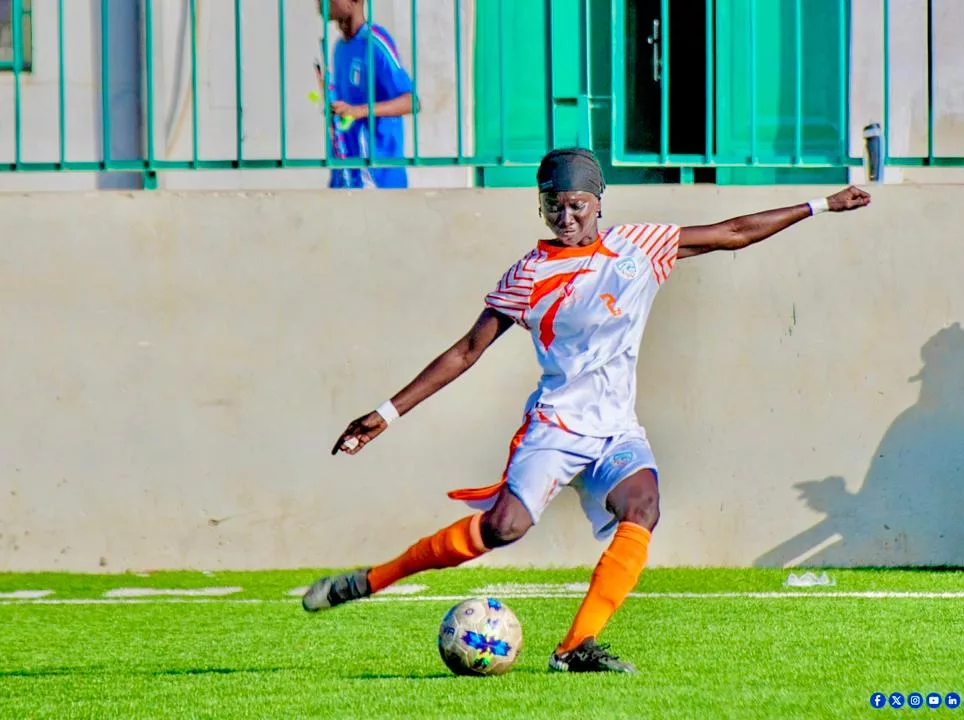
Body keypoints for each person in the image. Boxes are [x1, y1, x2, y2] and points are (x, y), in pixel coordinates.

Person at [302, 148, 872, 672]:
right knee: (504, 529)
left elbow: (734, 232)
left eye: (576, 204)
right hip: (556, 424)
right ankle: (369, 581)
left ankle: (575, 648)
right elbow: (467, 350)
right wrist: (386, 412)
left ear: (599, 203)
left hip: (616, 428)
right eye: (554, 205)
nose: (566, 216)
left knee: (642, 505)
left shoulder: (640, 247)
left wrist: (821, 204)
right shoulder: (527, 274)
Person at [318, 0, 417, 189]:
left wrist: (359, 111)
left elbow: (411, 102)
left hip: (378, 180)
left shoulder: (375, 42)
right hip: (346, 178)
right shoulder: (339, 48)